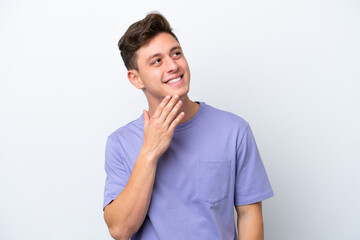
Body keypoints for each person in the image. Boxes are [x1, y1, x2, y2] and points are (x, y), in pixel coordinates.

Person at [103, 13, 274, 240]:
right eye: (157, 61)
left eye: (176, 53)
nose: (173, 65)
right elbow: (120, 230)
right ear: (136, 79)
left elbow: (249, 215)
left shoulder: (234, 131)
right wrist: (149, 152)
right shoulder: (120, 143)